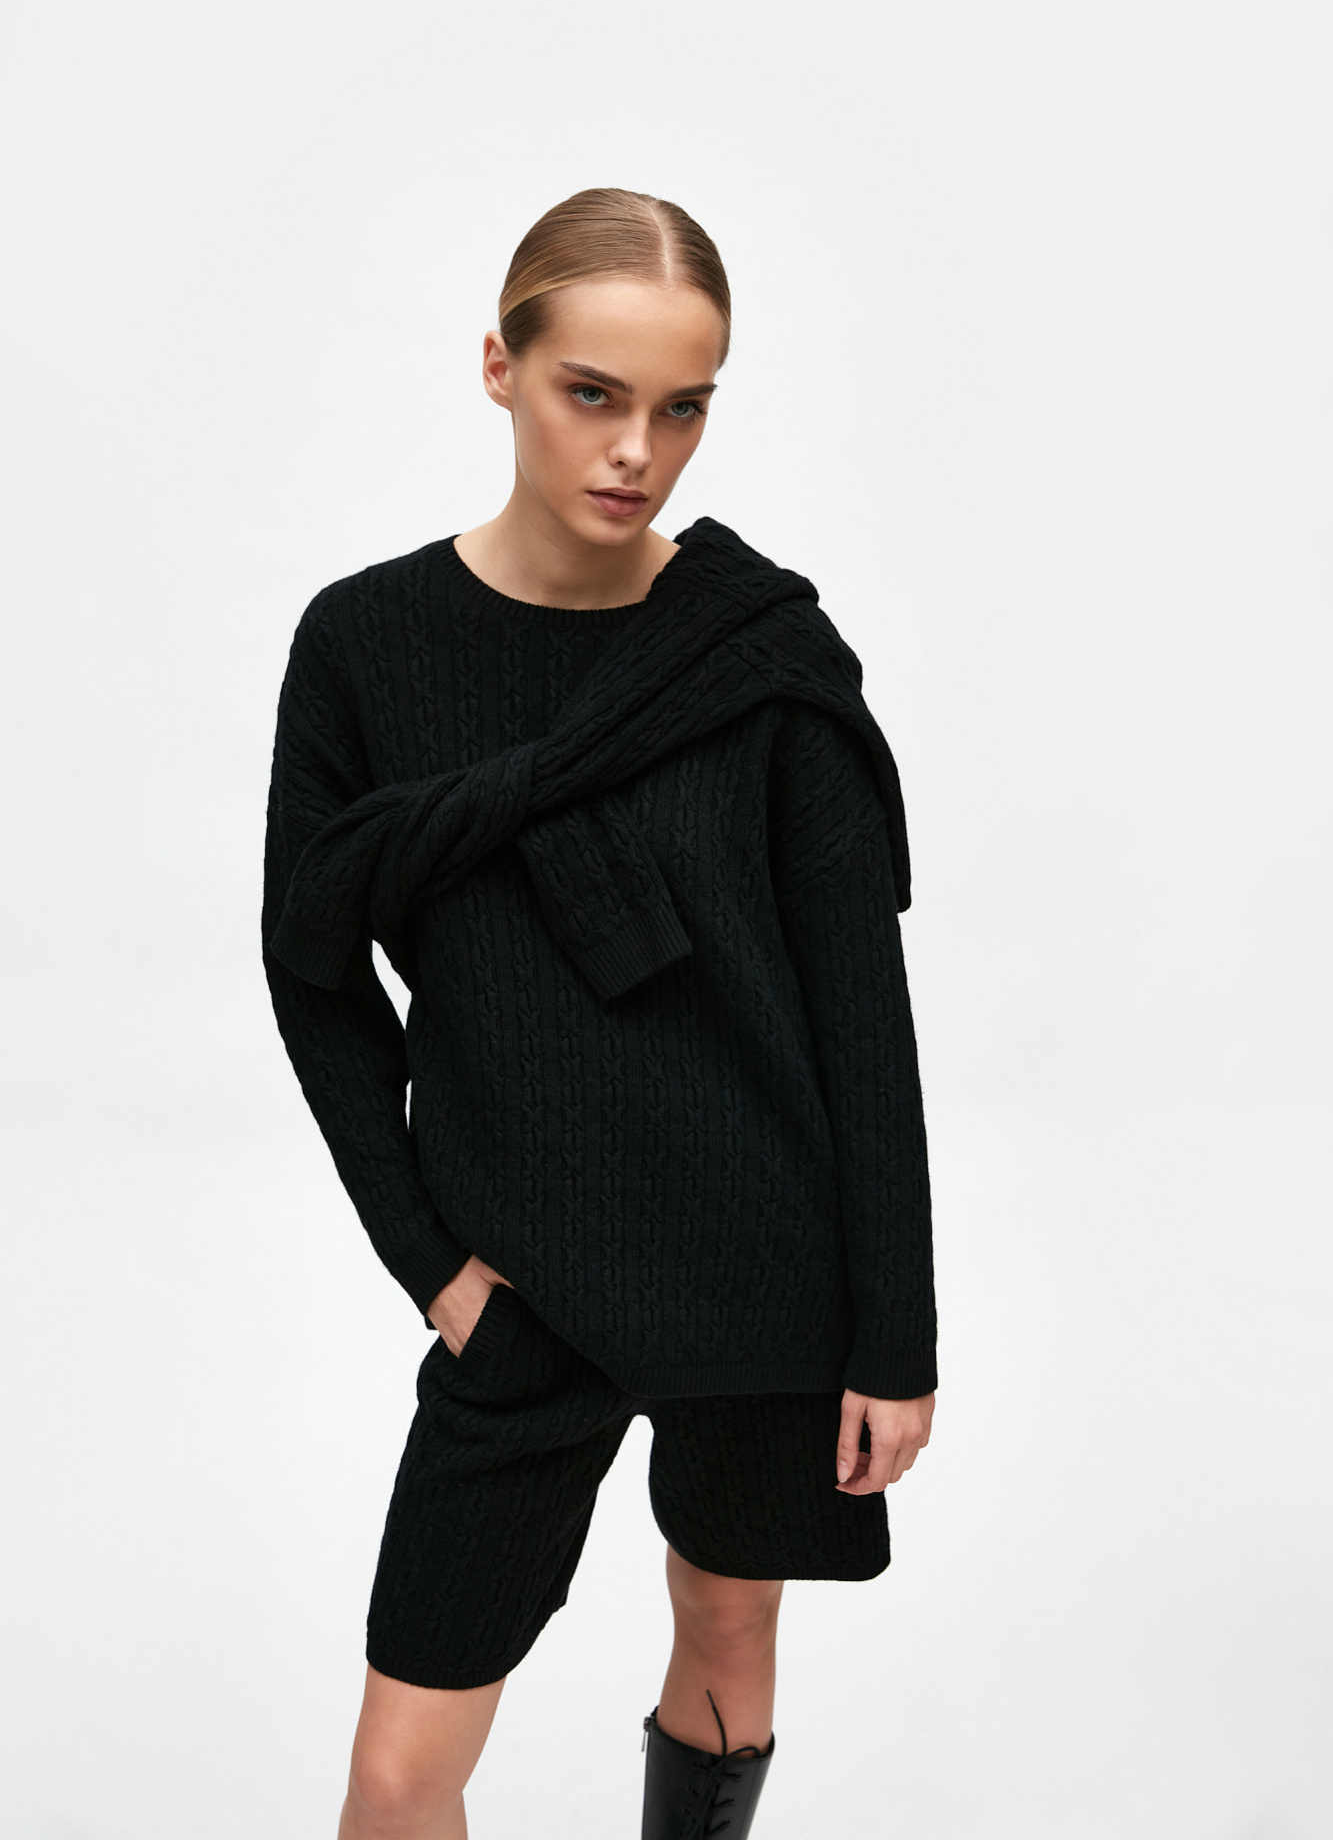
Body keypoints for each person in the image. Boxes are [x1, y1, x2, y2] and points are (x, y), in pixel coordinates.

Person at [262, 187, 937, 1839]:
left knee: (726, 1627)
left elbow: (860, 1010)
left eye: (682, 407)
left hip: (763, 1265)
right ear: (500, 367)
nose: (638, 450)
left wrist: (894, 1336)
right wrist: (434, 1266)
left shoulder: (758, 654)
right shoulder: (365, 645)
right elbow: (312, 975)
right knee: (398, 1775)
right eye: (593, 393)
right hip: (524, 1292)